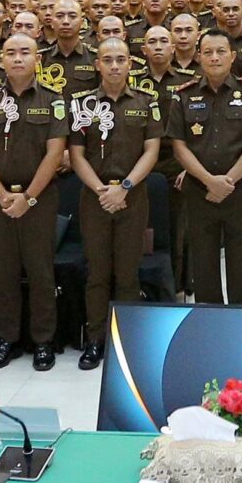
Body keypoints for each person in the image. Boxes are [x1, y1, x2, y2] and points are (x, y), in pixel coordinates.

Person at [0, 31, 71, 371]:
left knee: (41, 270)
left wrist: (28, 197)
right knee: (4, 271)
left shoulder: (54, 99)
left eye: (24, 52)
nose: (17, 58)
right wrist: (1, 195)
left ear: (37, 59)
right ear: (1, 60)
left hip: (38, 198)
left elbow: (55, 152)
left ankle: (43, 341)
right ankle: (7, 339)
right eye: (10, 52)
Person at [69, 36, 162, 370]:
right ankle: (95, 340)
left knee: (127, 274)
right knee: (96, 272)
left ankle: (124, 342)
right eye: (107, 60)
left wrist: (123, 187)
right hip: (94, 198)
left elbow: (152, 149)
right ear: (97, 65)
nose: (114, 66)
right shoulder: (81, 104)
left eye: (120, 59)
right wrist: (100, 191)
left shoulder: (146, 101)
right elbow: (76, 154)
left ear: (130, 64)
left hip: (132, 196)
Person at [169, 30, 242, 306]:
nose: (214, 57)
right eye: (208, 52)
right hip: (199, 191)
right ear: (199, 57)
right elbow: (179, 146)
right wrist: (209, 181)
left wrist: (227, 182)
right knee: (203, 259)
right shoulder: (183, 96)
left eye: (221, 51)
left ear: (232, 56)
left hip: (241, 189)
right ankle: (209, 321)